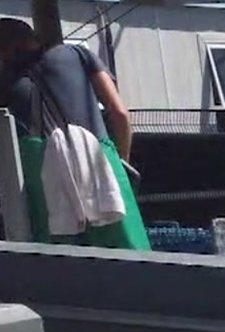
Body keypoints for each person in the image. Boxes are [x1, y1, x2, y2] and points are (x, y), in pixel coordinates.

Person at [0, 17, 149, 249]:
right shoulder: (78, 55)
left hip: (43, 178)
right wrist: (121, 163)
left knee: (62, 267)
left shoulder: (6, 84)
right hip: (102, 166)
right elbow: (119, 113)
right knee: (132, 257)